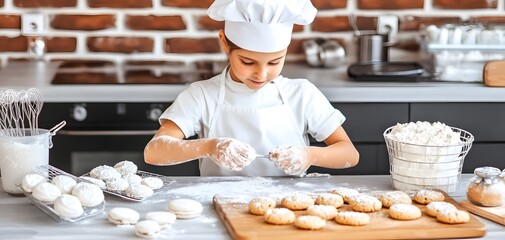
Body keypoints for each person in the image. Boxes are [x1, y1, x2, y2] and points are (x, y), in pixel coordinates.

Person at [144, 0, 359, 176]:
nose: (261, 74)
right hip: (221, 208)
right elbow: (154, 151)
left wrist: (308, 156)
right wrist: (210, 147)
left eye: (275, 62)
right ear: (225, 43)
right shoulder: (201, 95)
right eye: (248, 62)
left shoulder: (302, 94)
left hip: (288, 214)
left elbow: (349, 153)